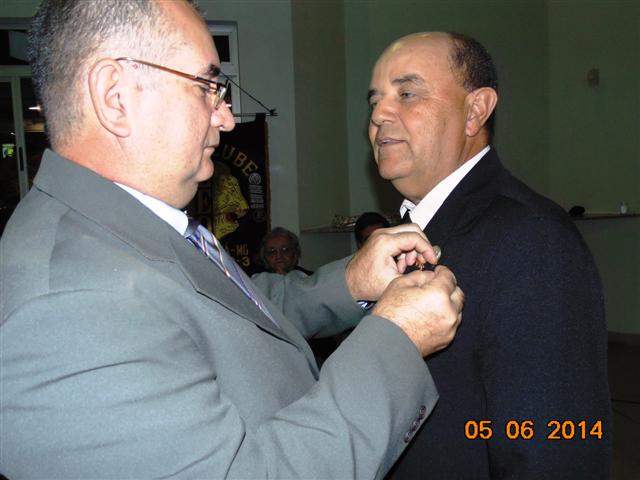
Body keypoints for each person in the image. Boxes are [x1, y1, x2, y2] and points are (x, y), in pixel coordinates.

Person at [0, 3, 464, 478]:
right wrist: (396, 338)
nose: (225, 117)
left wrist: (350, 281)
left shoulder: (125, 226)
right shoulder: (68, 305)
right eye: (207, 87)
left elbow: (229, 313)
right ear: (115, 97)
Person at [367, 32, 611, 479]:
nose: (379, 114)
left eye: (407, 94)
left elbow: (551, 447)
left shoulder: (530, 238)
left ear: (475, 111)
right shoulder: (409, 234)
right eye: (375, 100)